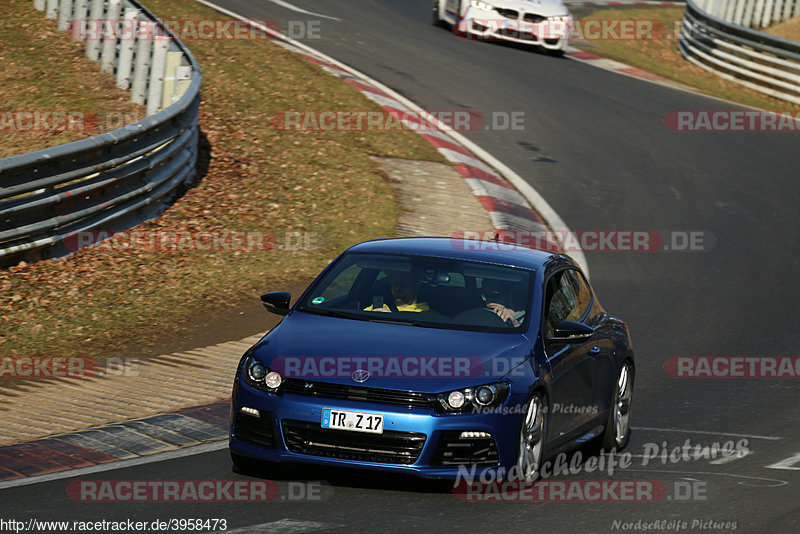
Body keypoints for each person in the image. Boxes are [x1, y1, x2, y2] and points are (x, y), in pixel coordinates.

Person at [365, 270, 432, 313]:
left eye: (403, 283)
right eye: (394, 282)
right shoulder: (380, 308)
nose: (397, 287)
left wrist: (389, 318)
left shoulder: (426, 313)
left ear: (417, 286)